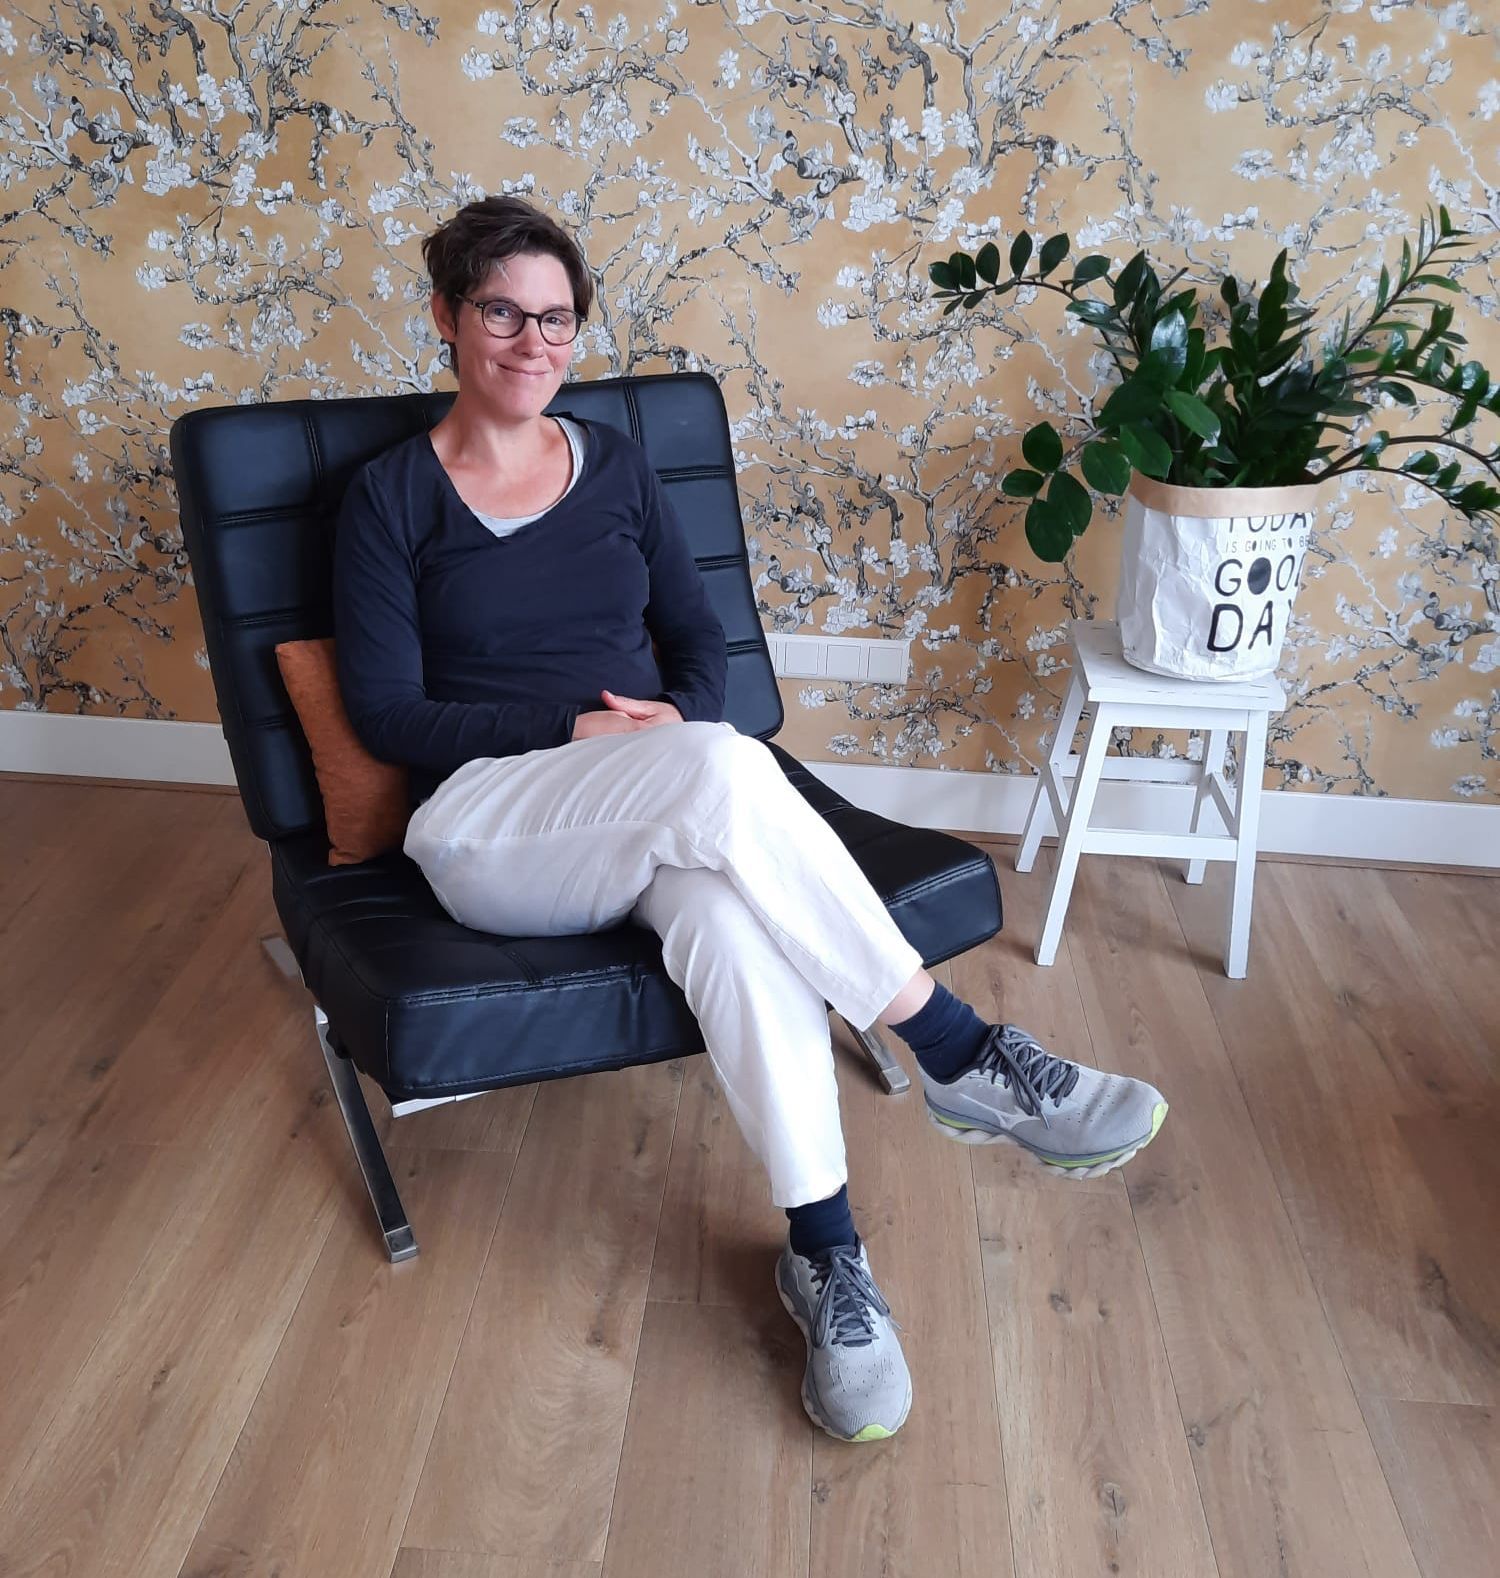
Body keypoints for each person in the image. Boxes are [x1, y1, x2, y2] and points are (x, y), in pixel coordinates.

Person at [333, 196, 1169, 1445]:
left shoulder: (615, 466)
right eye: (501, 312)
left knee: (729, 913)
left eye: (557, 318)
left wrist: (668, 720)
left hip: (658, 802)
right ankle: (954, 1046)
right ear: (448, 316)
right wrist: (578, 731)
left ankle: (827, 1254)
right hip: (490, 824)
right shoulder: (391, 497)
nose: (531, 341)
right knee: (721, 770)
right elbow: (389, 713)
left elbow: (702, 649)